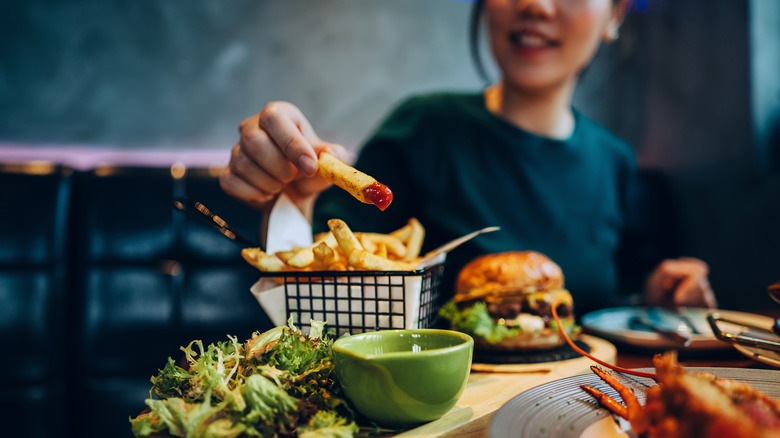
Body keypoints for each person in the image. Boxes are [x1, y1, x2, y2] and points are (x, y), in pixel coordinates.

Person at [220, 0, 717, 315]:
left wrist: (662, 293)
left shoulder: (616, 161)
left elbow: (618, 297)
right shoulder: (423, 129)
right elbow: (324, 280)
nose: (536, 6)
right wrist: (293, 195)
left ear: (615, 13)